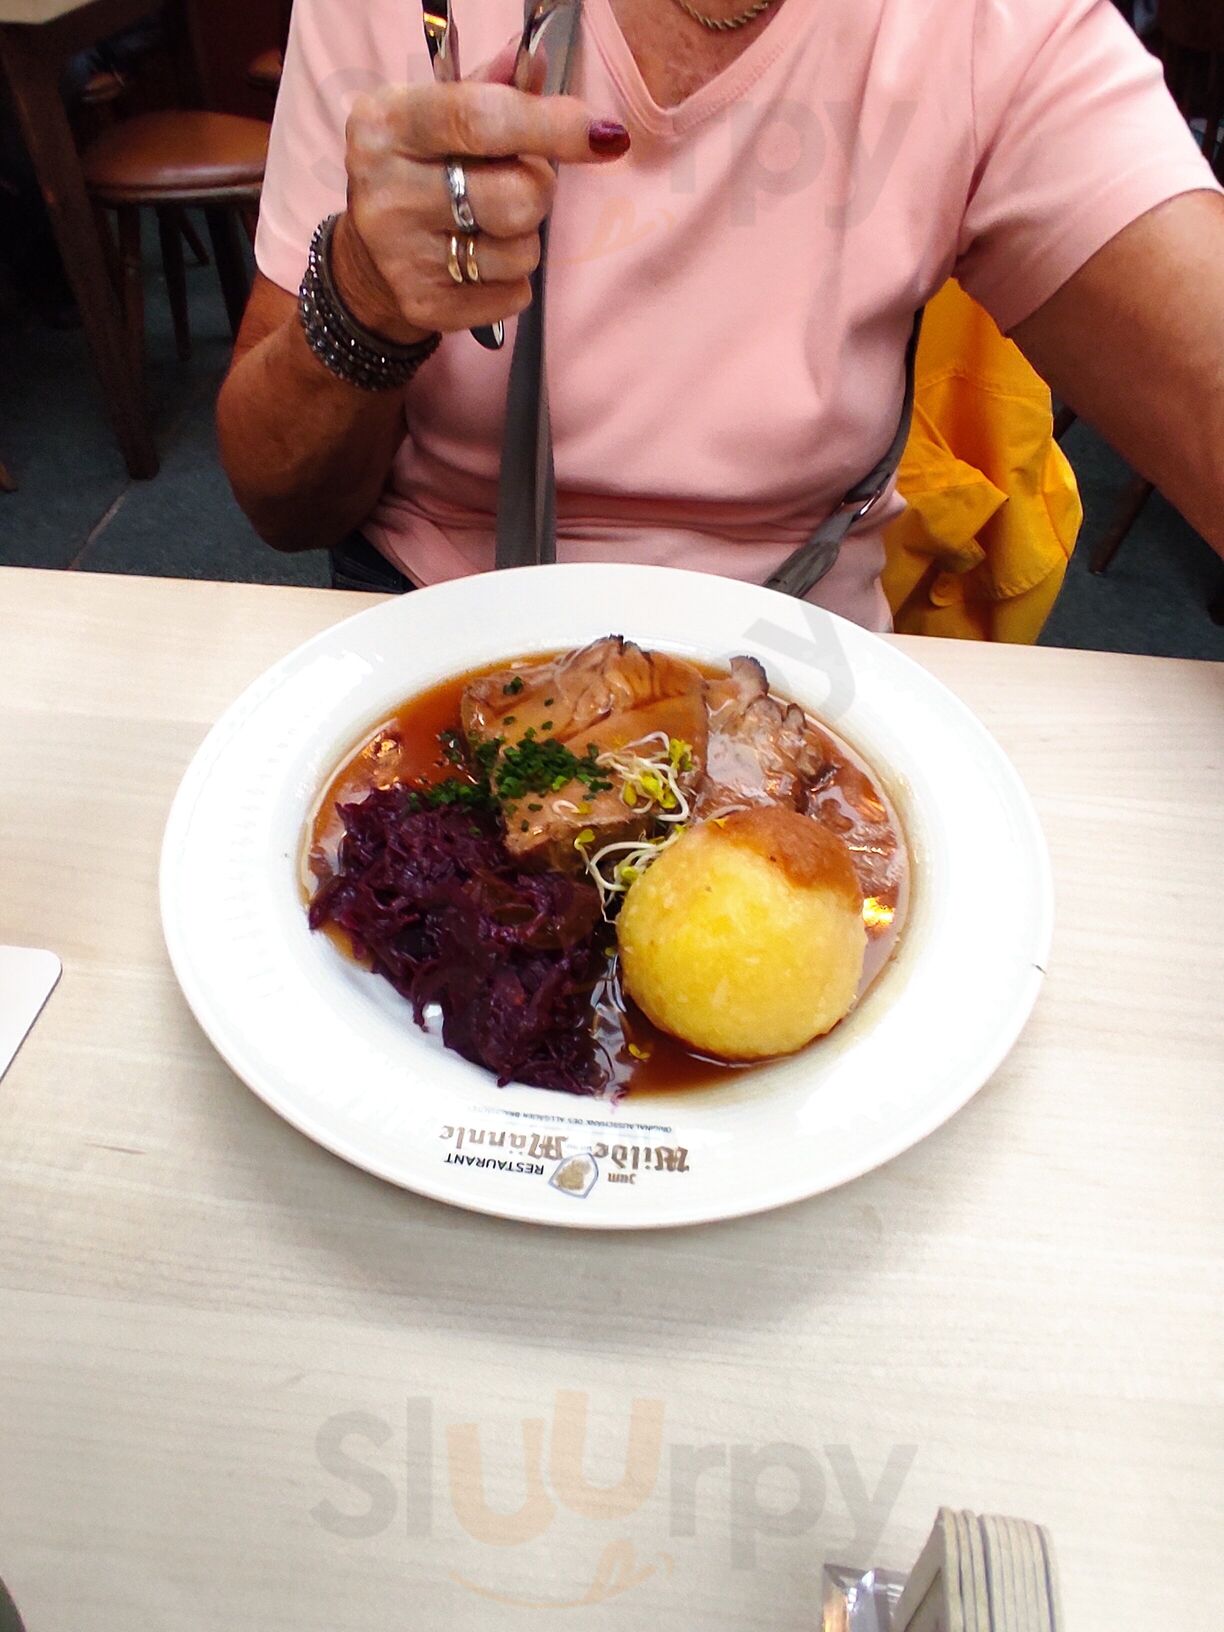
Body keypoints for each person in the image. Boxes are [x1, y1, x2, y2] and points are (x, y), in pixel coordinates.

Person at [218, 0, 1224, 630]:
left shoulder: (990, 27)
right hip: (432, 629)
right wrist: (362, 295)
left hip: (786, 671)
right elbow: (279, 499)